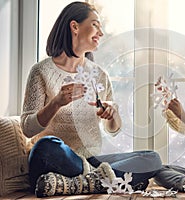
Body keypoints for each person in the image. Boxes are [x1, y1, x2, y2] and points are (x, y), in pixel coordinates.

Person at [21, 1, 161, 197]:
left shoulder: (99, 75)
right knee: (46, 146)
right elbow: (27, 128)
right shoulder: (41, 71)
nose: (101, 33)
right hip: (55, 160)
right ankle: (107, 181)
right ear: (75, 27)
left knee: (151, 158)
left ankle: (80, 183)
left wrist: (112, 114)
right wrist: (56, 103)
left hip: (90, 160)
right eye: (95, 24)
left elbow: (112, 130)